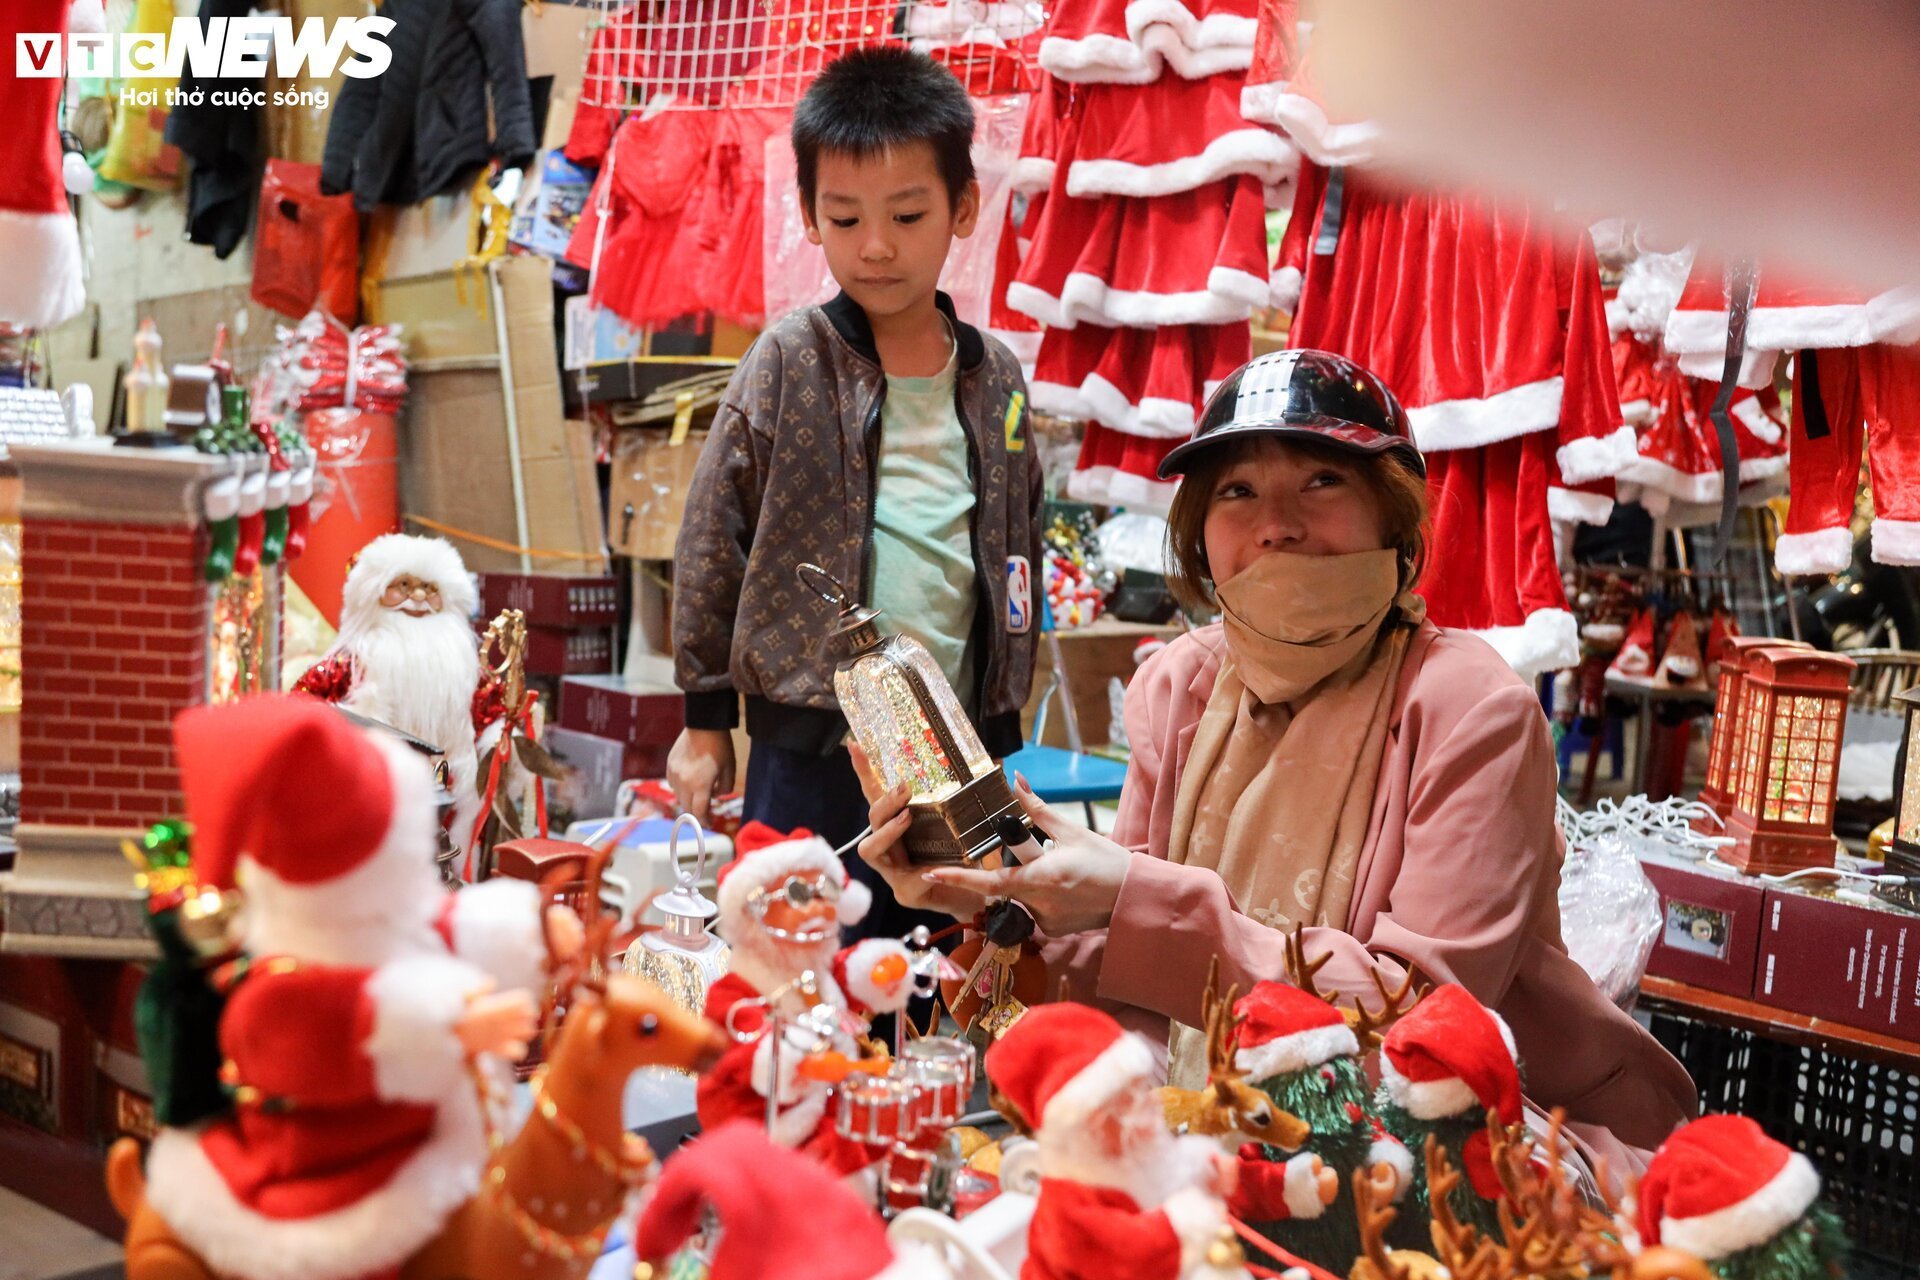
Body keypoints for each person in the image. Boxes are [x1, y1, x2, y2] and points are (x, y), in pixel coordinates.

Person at [857, 349, 1697, 1173]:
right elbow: (1135, 971)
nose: (1277, 523)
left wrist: (1133, 897)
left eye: (1322, 481)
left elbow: (1424, 1023)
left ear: (1394, 517)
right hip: (1220, 1134)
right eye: (1237, 491)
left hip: (1437, 1148)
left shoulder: (1475, 711)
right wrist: (994, 899)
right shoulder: (1177, 689)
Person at [670, 47, 1043, 951]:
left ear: (961, 209)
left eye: (908, 214)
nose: (876, 245)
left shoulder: (996, 376)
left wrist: (1003, 709)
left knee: (945, 969)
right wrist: (705, 721)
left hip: (959, 743)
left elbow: (1017, 536)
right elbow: (712, 535)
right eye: (845, 217)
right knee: (803, 967)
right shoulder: (789, 360)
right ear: (809, 217)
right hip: (813, 742)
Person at [293, 533, 512, 853]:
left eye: (431, 588)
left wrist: (503, 736)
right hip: (371, 798)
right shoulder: (350, 663)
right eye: (404, 586)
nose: (419, 596)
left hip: (445, 796)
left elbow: (492, 710)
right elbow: (302, 708)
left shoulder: (464, 668)